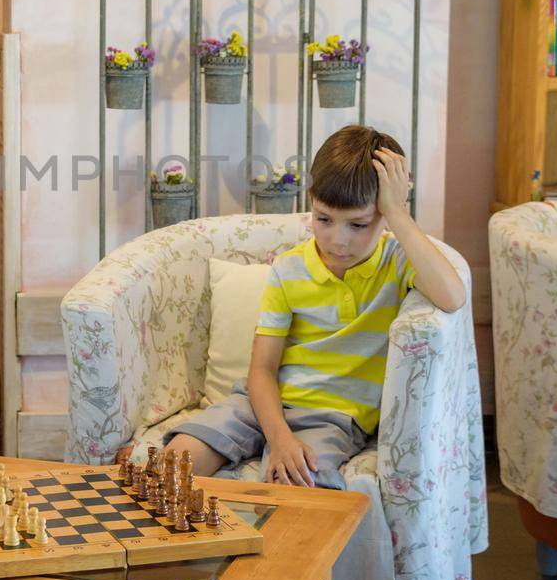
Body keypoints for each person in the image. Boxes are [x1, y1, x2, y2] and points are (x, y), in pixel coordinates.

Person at [163, 125, 466, 488]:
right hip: (259, 405)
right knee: (173, 465)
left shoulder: (398, 262)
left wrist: (397, 212)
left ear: (383, 214)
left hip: (333, 418)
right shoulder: (288, 269)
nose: (338, 239)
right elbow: (262, 370)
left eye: (358, 224)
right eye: (324, 219)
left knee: (296, 488)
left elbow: (453, 296)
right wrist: (279, 438)